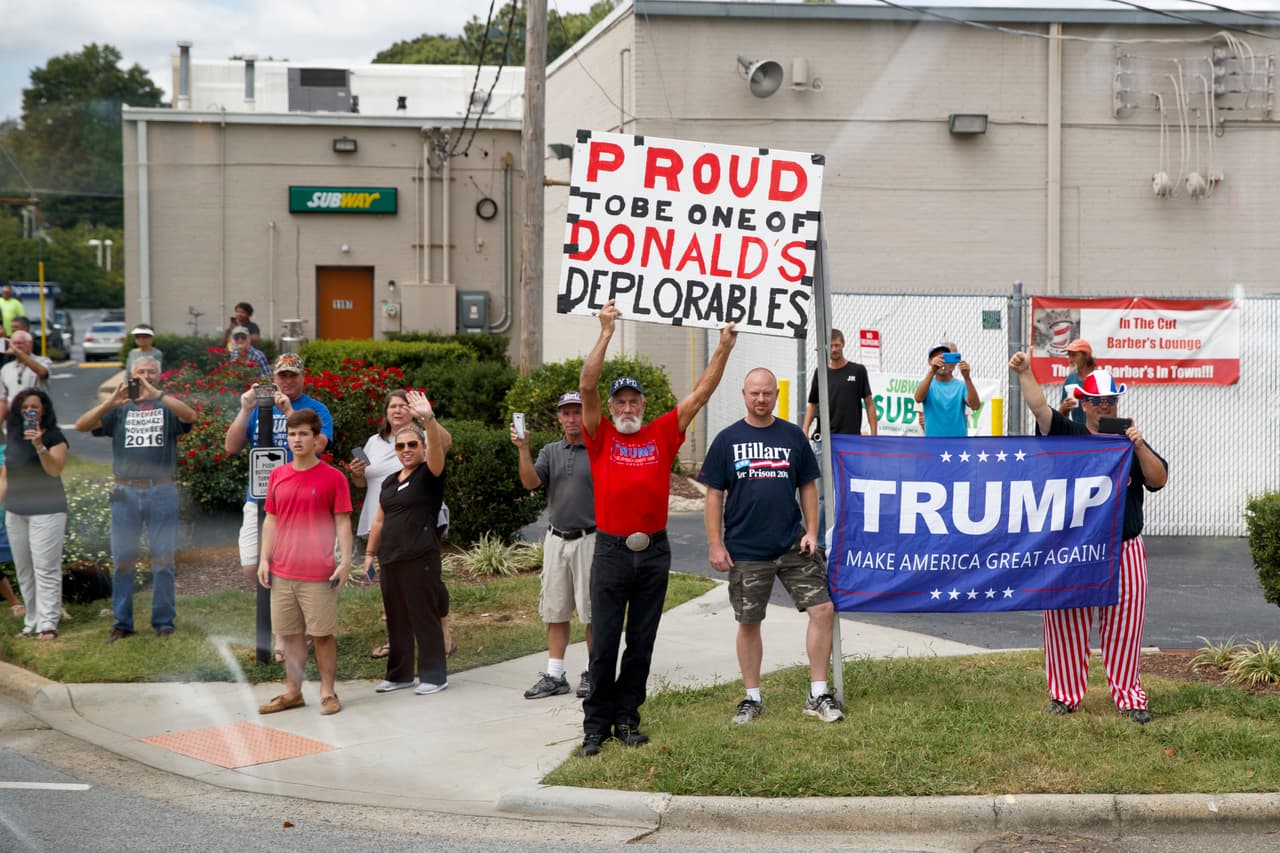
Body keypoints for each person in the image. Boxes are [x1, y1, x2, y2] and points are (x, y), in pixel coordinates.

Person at [576, 299, 737, 757]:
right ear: (611, 408)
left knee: (641, 643)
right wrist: (606, 332)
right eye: (620, 401)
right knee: (604, 644)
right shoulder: (600, 434)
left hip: (653, 554)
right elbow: (587, 385)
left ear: (644, 405)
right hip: (610, 552)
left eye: (634, 401)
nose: (627, 407)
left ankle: (627, 718)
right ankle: (596, 725)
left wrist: (723, 348)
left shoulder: (662, 433)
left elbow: (701, 395)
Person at [1009, 352, 1168, 724]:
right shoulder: (1070, 435)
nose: (1103, 406)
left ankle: (1129, 695)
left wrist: (1139, 444)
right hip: (1074, 547)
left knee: (1125, 626)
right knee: (1066, 620)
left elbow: (1158, 478)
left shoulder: (1127, 441)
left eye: (1110, 400)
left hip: (1123, 547)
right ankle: (1065, 695)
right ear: (1082, 403)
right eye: (1096, 401)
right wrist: (1025, 372)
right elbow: (1040, 410)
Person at [699, 367, 844, 725]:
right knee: (749, 621)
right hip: (746, 548)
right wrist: (716, 544)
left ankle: (818, 693)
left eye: (767, 393)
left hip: (792, 544)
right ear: (744, 394)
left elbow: (808, 485)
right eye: (754, 393)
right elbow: (714, 495)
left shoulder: (793, 436)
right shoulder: (727, 440)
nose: (760, 399)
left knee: (822, 610)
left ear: (776, 395)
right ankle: (752, 698)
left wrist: (812, 531)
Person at [74, 355, 197, 642]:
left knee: (163, 560)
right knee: (123, 560)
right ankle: (122, 623)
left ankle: (164, 622)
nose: (144, 376)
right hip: (125, 492)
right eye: (139, 371)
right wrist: (110, 403)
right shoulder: (119, 409)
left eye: (150, 371)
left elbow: (190, 416)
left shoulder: (166, 406)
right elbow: (81, 426)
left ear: (159, 375)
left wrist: (159, 396)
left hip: (162, 490)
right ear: (130, 374)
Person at [256, 409, 353, 716]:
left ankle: (327, 693)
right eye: (292, 434)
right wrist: (263, 559)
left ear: (316, 438)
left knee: (322, 634)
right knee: (291, 634)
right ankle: (293, 693)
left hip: (318, 573)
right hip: (282, 572)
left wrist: (346, 561)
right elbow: (271, 520)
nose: (296, 440)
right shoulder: (277, 475)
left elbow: (342, 523)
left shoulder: (334, 478)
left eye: (303, 434)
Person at [349, 390, 454, 660]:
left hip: (421, 520)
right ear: (385, 412)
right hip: (383, 519)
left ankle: (442, 632)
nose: (397, 411)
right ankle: (397, 640)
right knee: (390, 582)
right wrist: (357, 475)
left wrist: (427, 418)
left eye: (402, 406)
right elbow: (365, 483)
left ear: (411, 410)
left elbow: (446, 443)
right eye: (392, 406)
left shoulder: (420, 435)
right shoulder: (374, 442)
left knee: (429, 579)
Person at [512, 391, 595, 701]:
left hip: (591, 538)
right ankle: (555, 675)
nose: (572, 418)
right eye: (566, 413)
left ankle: (593, 672)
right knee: (555, 609)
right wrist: (523, 449)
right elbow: (531, 482)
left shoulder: (598, 448)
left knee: (591, 612)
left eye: (577, 412)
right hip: (556, 539)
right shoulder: (549, 451)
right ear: (559, 417)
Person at [224, 353, 333, 584]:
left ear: (303, 377)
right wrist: (245, 409)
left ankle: (286, 615)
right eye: (282, 376)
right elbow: (231, 446)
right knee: (251, 565)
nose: (287, 381)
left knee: (296, 565)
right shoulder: (259, 406)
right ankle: (274, 614)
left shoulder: (316, 409)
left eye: (293, 376)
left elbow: (319, 446)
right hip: (259, 494)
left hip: (300, 495)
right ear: (273, 377)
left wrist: (289, 413)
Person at [0, 389, 68, 639]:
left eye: (35, 407)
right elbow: (5, 478)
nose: (30, 410)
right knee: (24, 569)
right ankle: (31, 621)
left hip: (47, 510)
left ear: (44, 411)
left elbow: (54, 469)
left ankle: (48, 623)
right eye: (25, 406)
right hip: (16, 511)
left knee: (45, 568)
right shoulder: (14, 439)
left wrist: (40, 445)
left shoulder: (54, 437)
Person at [801, 329, 878, 440]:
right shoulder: (820, 372)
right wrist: (805, 429)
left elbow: (869, 403)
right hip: (823, 439)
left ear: (843, 344)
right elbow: (812, 404)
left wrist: (874, 435)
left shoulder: (858, 371)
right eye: (831, 346)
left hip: (850, 440)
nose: (834, 349)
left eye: (837, 345)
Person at [913, 342, 979, 437]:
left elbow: (975, 405)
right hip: (933, 443)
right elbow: (918, 398)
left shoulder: (961, 385)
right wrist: (932, 370)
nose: (941, 362)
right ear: (929, 362)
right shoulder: (926, 384)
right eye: (937, 358)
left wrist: (967, 377)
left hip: (958, 444)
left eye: (944, 358)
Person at [0, 331, 52, 425]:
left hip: (35, 414)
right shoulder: (6, 368)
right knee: (14, 440)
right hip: (14, 417)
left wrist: (17, 352)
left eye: (20, 343)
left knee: (33, 437)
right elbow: (3, 399)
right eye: (14, 344)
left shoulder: (42, 361)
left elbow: (43, 373)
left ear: (30, 344)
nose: (16, 347)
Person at [1058, 338, 1096, 425]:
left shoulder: (1101, 378)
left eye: (1074, 355)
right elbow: (1062, 417)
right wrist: (1064, 407)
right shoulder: (1070, 380)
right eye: (1069, 355)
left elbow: (1111, 410)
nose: (1070, 360)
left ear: (1086, 356)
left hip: (1098, 434)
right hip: (1078, 433)